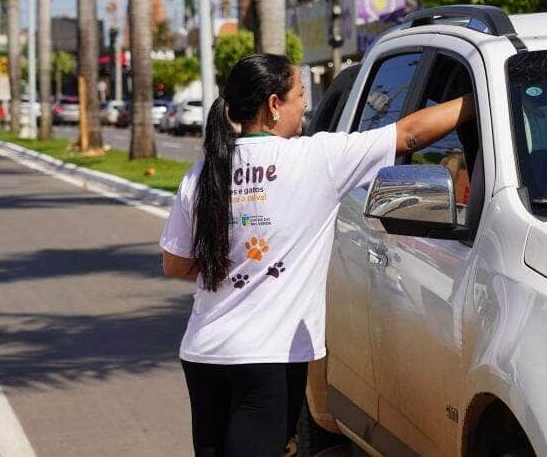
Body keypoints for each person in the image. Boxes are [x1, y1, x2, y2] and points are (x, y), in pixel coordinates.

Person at [160, 53, 474, 456]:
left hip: (204, 353)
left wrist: (240, 264)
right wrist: (473, 100)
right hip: (267, 359)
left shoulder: (204, 171)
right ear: (274, 105)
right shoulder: (316, 159)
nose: (306, 103)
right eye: (300, 93)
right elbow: (409, 136)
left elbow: (176, 263)